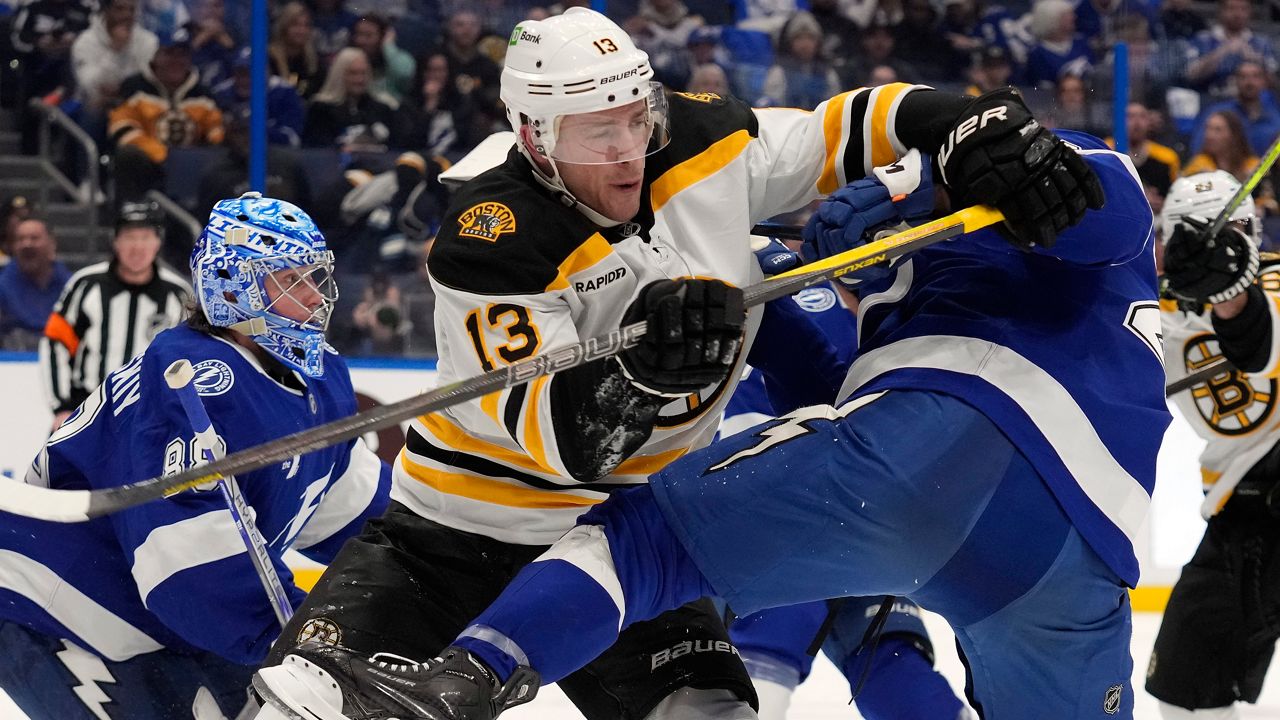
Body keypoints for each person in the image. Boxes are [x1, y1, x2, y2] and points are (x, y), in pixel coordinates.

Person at [251, 7, 1105, 720]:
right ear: (533, 135)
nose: (628, 147)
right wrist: (647, 376)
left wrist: (968, 121)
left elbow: (839, 131)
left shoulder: (701, 140)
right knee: (294, 703)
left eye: (636, 115)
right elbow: (565, 442)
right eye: (599, 130)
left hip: (632, 544)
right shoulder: (489, 237)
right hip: (451, 539)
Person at [0, 193, 393, 719]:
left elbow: (351, 509)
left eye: (313, 276)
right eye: (290, 281)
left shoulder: (318, 378)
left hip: (173, 615)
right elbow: (184, 568)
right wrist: (310, 644)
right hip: (62, 604)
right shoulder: (190, 385)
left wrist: (434, 575)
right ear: (235, 289)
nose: (315, 297)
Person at [1145, 171, 1280, 720]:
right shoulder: (1153, 312)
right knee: (1183, 694)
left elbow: (1259, 345)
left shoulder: (1274, 281)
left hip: (1267, 496)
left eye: (1238, 230)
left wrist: (1229, 295)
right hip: (1242, 520)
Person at [40, 201, 191, 430]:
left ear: (158, 242)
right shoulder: (86, 284)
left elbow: (188, 356)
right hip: (87, 410)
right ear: (116, 241)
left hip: (151, 416)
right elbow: (56, 343)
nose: (137, 246)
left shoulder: (178, 294)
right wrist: (61, 407)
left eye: (146, 237)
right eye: (130, 236)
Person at [0, 217, 72, 351]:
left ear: (52, 244)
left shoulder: (70, 286)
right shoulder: (2, 285)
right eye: (20, 239)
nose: (27, 244)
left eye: (34, 238)